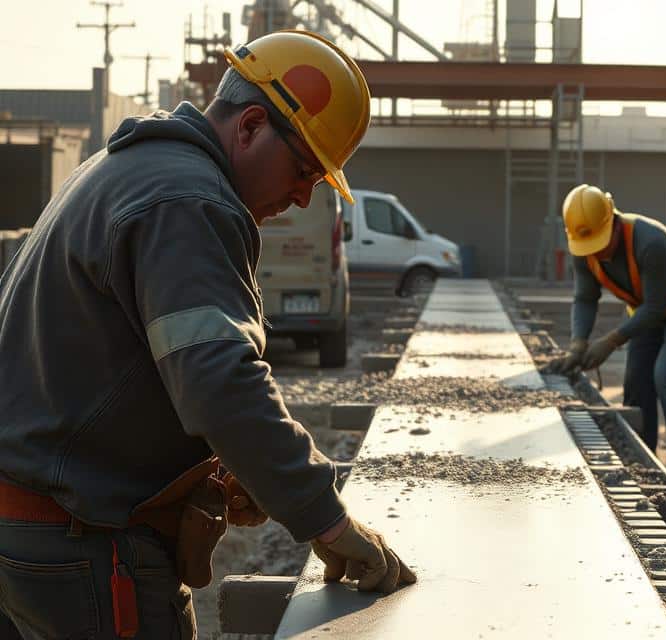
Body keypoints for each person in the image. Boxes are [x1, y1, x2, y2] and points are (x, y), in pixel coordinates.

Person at [0, 30, 414, 638]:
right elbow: (218, 380)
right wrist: (325, 516)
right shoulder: (190, 199)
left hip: (28, 535)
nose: (303, 196)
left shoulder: (126, 169)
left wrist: (226, 466)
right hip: (83, 548)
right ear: (249, 127)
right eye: (303, 169)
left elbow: (114, 368)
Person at [547, 185, 666, 497]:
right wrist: (577, 344)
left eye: (599, 243)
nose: (595, 252)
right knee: (637, 381)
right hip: (649, 310)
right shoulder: (584, 251)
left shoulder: (648, 242)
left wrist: (610, 340)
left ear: (612, 221)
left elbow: (654, 308)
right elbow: (585, 298)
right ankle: (644, 468)